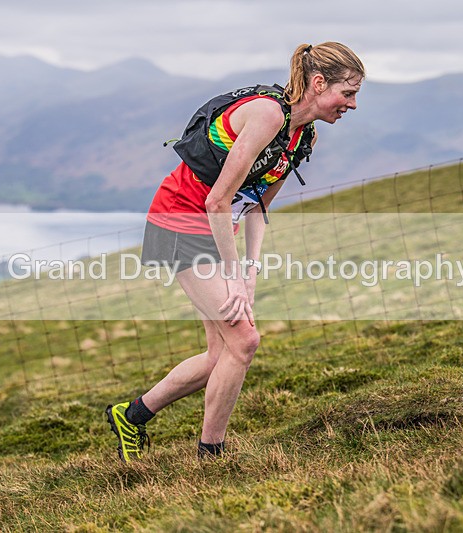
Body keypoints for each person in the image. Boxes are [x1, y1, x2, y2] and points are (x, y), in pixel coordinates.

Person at [106, 42, 365, 462]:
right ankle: (212, 456)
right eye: (347, 93)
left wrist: (251, 271)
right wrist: (234, 275)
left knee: (220, 354)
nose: (352, 105)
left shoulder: (302, 137)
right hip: (180, 219)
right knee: (244, 341)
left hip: (214, 226)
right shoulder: (267, 115)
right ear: (318, 84)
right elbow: (217, 200)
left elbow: (257, 207)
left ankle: (131, 415)